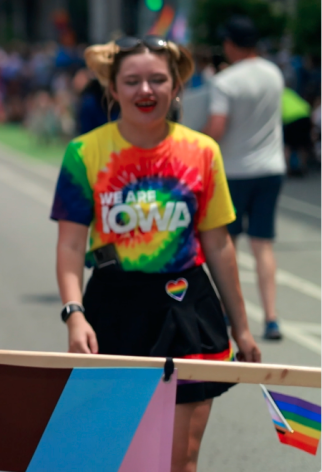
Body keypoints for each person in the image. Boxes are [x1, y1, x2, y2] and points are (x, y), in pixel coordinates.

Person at [53, 36, 260, 472]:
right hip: (113, 309)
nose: (145, 91)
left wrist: (241, 327)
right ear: (113, 90)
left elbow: (218, 243)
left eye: (157, 80)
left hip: (187, 309)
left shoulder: (203, 151)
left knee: (179, 459)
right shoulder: (84, 153)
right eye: (131, 81)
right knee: (122, 456)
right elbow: (71, 243)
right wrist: (74, 313)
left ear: (176, 87)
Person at [201, 17, 286, 341]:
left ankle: (226, 310)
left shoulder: (225, 81)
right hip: (271, 167)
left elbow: (217, 128)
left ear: (232, 45)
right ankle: (271, 316)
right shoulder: (274, 74)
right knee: (263, 244)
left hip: (235, 170)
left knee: (228, 243)